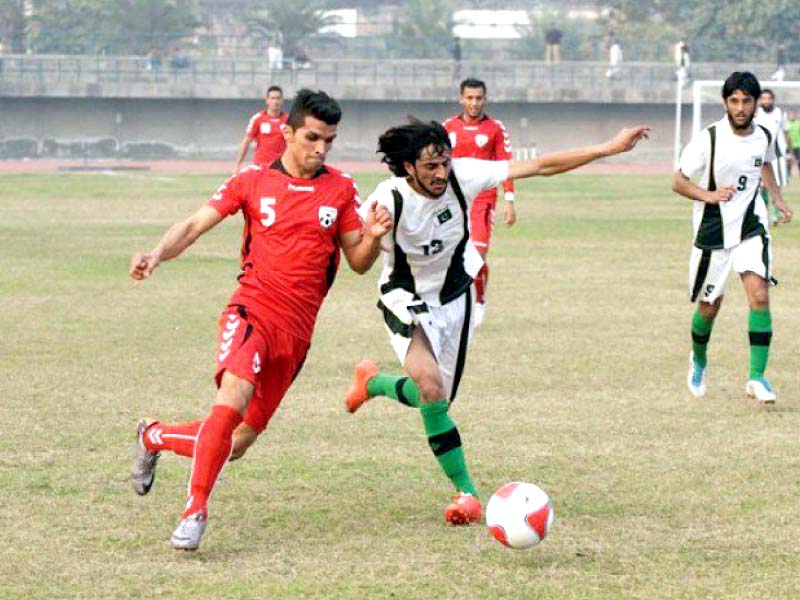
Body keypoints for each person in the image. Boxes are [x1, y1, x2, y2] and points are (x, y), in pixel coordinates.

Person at [344, 119, 649, 525]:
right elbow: (359, 265)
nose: (440, 174)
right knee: (431, 388)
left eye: (444, 164)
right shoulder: (387, 199)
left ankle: (374, 383)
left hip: (456, 298)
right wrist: (371, 236)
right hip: (406, 298)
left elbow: (540, 166)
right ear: (407, 166)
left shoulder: (462, 175)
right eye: (430, 166)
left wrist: (607, 148)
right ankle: (467, 493)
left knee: (436, 401)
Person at [129, 89, 392, 551]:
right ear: (288, 133)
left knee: (237, 441)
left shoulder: (342, 188)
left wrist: (371, 238)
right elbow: (193, 225)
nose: (321, 148)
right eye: (312, 137)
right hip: (251, 309)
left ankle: (153, 435)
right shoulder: (251, 181)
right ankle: (194, 511)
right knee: (233, 396)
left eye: (329, 140)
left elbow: (357, 261)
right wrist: (155, 254)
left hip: (297, 332)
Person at [673, 72, 793, 405]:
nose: (740, 108)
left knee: (759, 295)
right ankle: (698, 359)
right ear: (726, 103)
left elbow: (764, 166)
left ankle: (756, 377)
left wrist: (779, 201)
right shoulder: (708, 139)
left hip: (752, 226)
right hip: (713, 230)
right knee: (710, 307)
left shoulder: (764, 135)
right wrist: (708, 195)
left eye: (747, 101)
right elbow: (678, 181)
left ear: (756, 104)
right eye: (734, 101)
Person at [443, 78, 515, 325]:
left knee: (477, 255)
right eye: (469, 98)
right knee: (451, 255)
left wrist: (509, 200)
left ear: (485, 99)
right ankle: (454, 302)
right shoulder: (447, 127)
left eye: (478, 98)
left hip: (483, 201)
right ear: (461, 98)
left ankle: (479, 301)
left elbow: (508, 165)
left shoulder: (495, 128)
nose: (474, 103)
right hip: (454, 200)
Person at [233, 85, 287, 175]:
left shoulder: (289, 120)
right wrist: (237, 165)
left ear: (282, 100)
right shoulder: (258, 119)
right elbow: (246, 142)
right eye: (272, 98)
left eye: (278, 98)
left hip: (280, 167)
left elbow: (294, 144)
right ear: (267, 100)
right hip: (260, 166)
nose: (275, 101)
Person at [755, 88, 791, 219]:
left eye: (769, 98)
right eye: (764, 98)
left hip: (778, 153)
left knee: (777, 184)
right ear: (760, 100)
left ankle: (776, 214)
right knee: (763, 185)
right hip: (761, 154)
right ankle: (765, 213)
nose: (766, 101)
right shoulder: (756, 113)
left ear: (773, 99)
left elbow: (786, 131)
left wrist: (789, 152)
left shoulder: (779, 113)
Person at [786, 109, 800, 176]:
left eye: (793, 115)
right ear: (788, 116)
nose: (792, 116)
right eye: (790, 115)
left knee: (798, 160)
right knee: (788, 160)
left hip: (797, 145)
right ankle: (787, 173)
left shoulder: (798, 123)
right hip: (788, 146)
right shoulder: (786, 124)